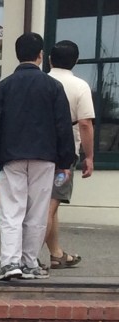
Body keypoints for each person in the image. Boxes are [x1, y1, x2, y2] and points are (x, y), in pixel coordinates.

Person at [0, 32, 75, 282]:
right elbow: (63, 125)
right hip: (45, 156)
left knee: (12, 210)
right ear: (41, 55)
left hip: (11, 156)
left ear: (17, 54)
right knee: (37, 211)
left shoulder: (3, 87)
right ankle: (30, 262)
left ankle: (10, 262)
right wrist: (65, 161)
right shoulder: (53, 86)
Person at [44, 40, 95, 270]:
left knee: (49, 205)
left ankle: (56, 253)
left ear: (50, 59)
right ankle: (27, 257)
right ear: (76, 61)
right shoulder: (80, 85)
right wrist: (90, 156)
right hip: (64, 155)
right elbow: (85, 123)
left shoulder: (41, 80)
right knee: (50, 206)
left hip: (37, 149)